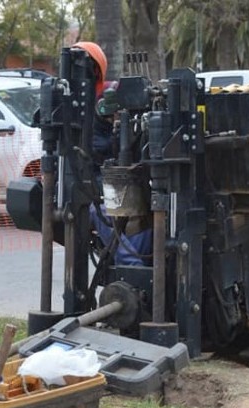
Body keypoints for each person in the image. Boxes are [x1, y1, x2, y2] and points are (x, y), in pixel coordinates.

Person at [73, 41, 153, 267]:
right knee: (100, 211)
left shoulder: (109, 93)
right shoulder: (72, 103)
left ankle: (139, 266)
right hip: (91, 184)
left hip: (113, 177)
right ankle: (131, 266)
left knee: (147, 207)